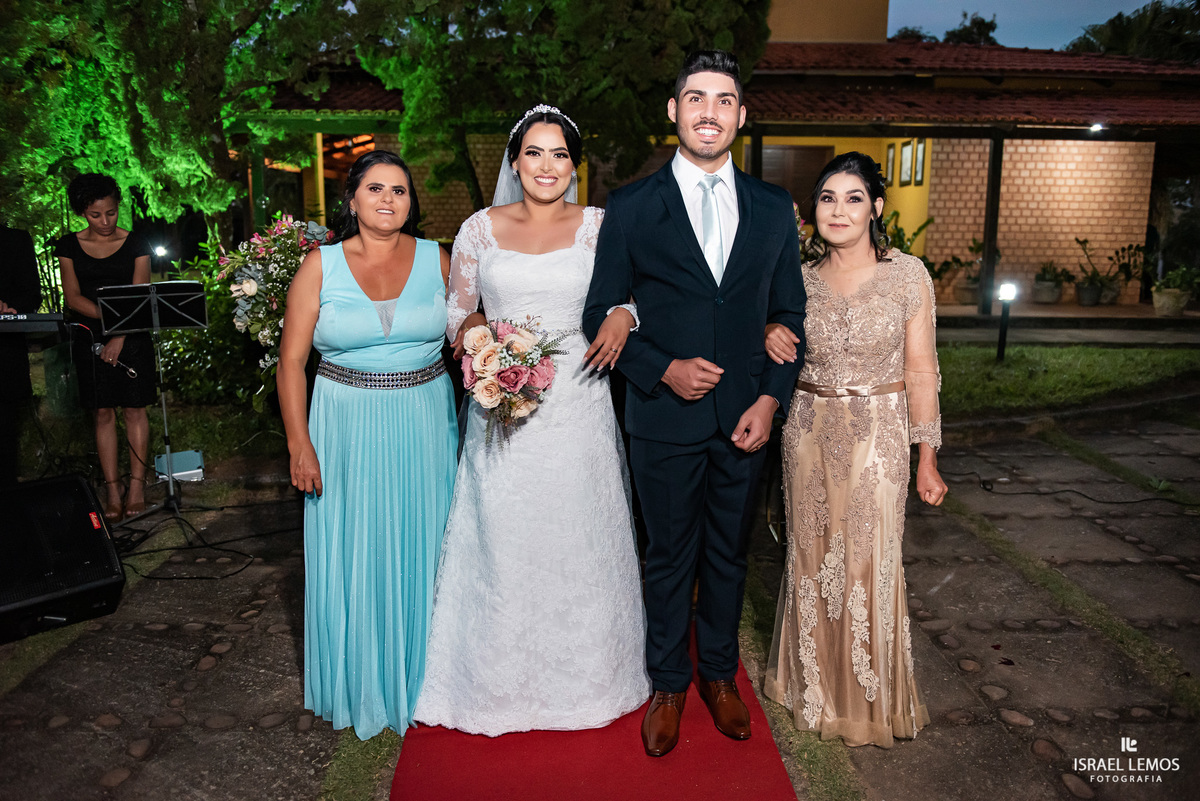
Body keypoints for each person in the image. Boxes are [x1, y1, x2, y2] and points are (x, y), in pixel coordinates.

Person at [582, 51, 807, 757]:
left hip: (745, 418)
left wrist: (770, 402)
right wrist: (662, 369)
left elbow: (790, 315)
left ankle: (718, 674)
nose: (710, 112)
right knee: (668, 558)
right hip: (662, 418)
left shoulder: (772, 207)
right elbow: (598, 311)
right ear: (674, 110)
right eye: (696, 98)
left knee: (730, 556)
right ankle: (668, 683)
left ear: (741, 116)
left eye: (725, 100)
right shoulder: (630, 206)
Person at [413, 105, 651, 735]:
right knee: (504, 532)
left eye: (560, 155)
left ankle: (591, 679)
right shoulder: (479, 229)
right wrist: (480, 339)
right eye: (535, 153)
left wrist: (623, 315)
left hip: (579, 403)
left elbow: (636, 293)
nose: (548, 166)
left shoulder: (600, 226)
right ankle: (492, 680)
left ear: (575, 166)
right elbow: (457, 310)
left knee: (578, 531)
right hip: (502, 407)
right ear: (515, 162)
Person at [761, 151, 947, 748]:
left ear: (876, 208)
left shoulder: (908, 275)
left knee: (870, 562)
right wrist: (767, 331)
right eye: (827, 198)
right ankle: (814, 688)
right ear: (813, 209)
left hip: (879, 435)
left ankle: (869, 700)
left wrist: (927, 457)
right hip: (807, 432)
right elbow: (763, 338)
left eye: (853, 198)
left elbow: (922, 371)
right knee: (810, 559)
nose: (839, 210)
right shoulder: (795, 277)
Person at [277, 150, 457, 740]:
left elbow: (473, 333)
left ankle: (430, 681)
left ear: (411, 202)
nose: (387, 200)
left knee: (426, 543)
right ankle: (361, 682)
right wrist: (300, 445)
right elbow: (291, 362)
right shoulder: (319, 266)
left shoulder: (439, 259)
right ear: (351, 199)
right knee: (355, 547)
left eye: (399, 190)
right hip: (344, 430)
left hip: (424, 427)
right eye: (375, 188)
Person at [54, 174, 155, 521]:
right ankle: (113, 488)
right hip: (90, 335)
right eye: (95, 215)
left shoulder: (136, 243)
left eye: (111, 213)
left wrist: (120, 334)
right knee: (102, 412)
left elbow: (139, 296)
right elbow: (73, 297)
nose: (105, 221)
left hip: (133, 335)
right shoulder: (68, 246)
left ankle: (137, 485)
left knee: (135, 409)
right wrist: (109, 321)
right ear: (83, 212)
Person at [0, 225, 42, 485]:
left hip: (4, 353)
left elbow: (32, 294)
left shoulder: (14, 240)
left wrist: (10, 307)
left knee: (5, 433)